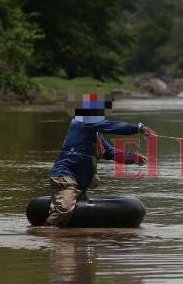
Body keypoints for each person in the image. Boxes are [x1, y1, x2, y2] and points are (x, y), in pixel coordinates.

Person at [46, 93, 154, 227]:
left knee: (80, 209)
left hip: (79, 181)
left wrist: (133, 157)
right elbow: (113, 126)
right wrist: (139, 128)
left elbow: (110, 153)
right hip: (66, 177)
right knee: (64, 211)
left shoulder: (94, 134)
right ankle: (42, 236)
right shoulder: (82, 122)